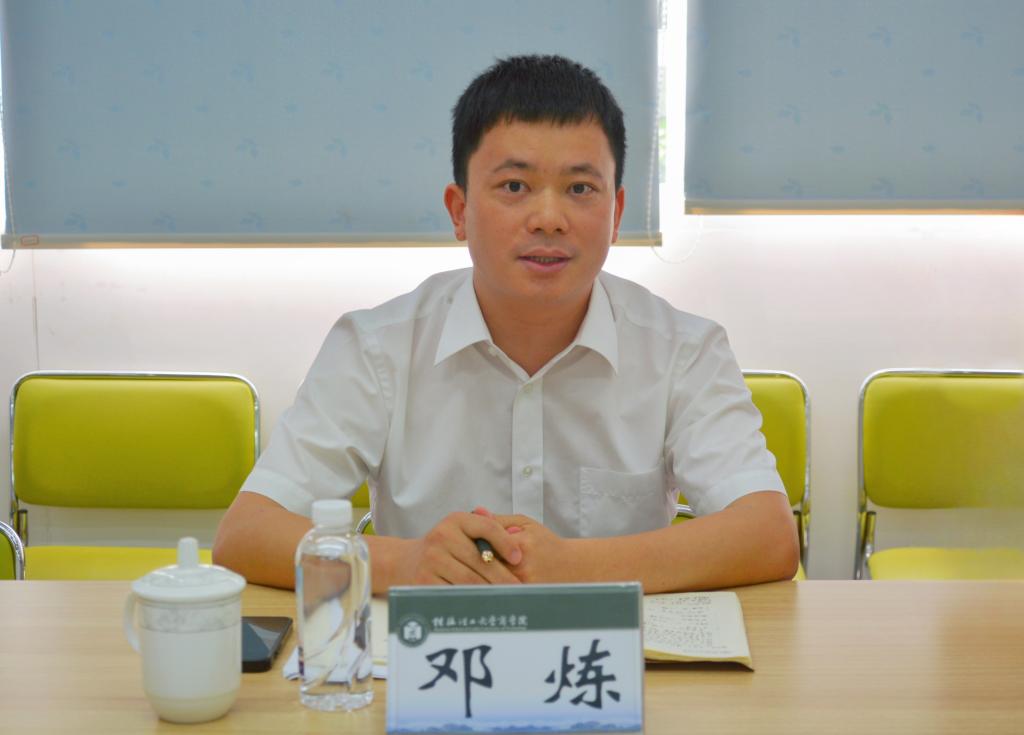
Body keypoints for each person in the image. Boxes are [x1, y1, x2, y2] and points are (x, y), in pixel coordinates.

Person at [213, 55, 798, 593]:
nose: (548, 218)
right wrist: (408, 564)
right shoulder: (376, 348)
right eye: (514, 186)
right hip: (435, 659)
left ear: (616, 213)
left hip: (611, 663)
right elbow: (247, 535)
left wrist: (571, 567)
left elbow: (768, 534)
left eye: (580, 188)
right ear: (460, 210)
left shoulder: (684, 350)